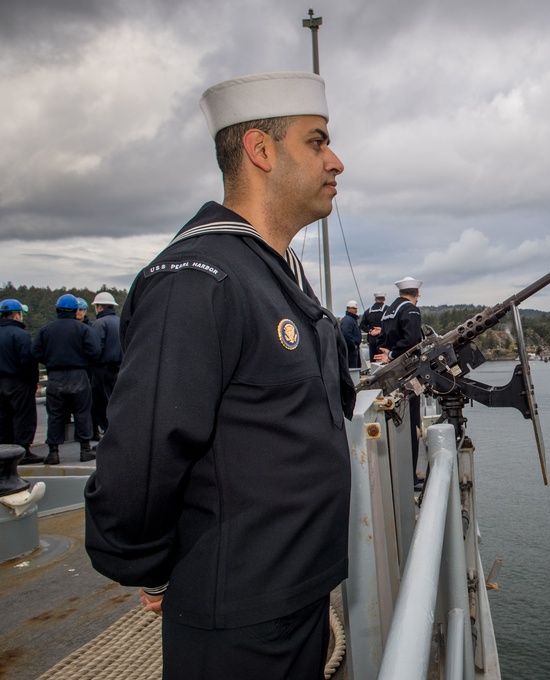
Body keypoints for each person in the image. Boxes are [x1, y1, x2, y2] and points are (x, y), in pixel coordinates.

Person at [84, 71, 355, 680]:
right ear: (261, 151)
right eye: (316, 142)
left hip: (293, 598)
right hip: (240, 622)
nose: (336, 161)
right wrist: (145, 563)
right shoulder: (198, 278)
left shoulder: (271, 273)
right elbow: (144, 452)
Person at [31, 294, 100, 464]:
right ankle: (85, 449)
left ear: (57, 309)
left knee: (55, 415)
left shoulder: (46, 330)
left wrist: (50, 361)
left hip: (55, 376)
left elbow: (35, 352)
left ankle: (53, 452)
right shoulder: (83, 330)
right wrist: (83, 361)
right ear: (75, 310)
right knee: (82, 413)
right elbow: (95, 351)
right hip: (79, 375)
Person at [376, 277, 424, 488]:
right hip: (408, 372)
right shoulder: (411, 310)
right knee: (411, 424)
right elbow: (412, 340)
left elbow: (382, 340)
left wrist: (389, 354)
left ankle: (399, 472)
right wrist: (395, 353)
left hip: (392, 375)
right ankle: (410, 477)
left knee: (397, 424)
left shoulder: (389, 311)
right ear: (417, 293)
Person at [0, 299, 41, 464]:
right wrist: (33, 381)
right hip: (19, 382)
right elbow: (27, 361)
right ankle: (23, 451)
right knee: (23, 416)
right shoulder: (20, 335)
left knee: (3, 418)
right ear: (16, 315)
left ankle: (4, 451)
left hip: (0, 383)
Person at [89, 292, 122, 439]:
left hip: (102, 369)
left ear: (99, 307)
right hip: (120, 369)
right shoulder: (120, 322)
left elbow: (95, 349)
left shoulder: (99, 324)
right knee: (117, 402)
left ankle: (108, 435)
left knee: (102, 403)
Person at [359, 291, 386, 363]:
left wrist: (370, 331)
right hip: (383, 338)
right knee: (383, 359)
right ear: (384, 299)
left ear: (375, 299)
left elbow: (362, 325)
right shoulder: (387, 310)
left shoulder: (368, 311)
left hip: (372, 339)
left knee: (373, 359)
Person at [341, 300, 362, 369]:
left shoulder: (352, 320)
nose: (355, 310)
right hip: (351, 350)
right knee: (352, 368)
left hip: (354, 349)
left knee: (355, 368)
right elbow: (346, 334)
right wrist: (353, 345)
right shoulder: (348, 320)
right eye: (353, 308)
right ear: (348, 309)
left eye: (356, 309)